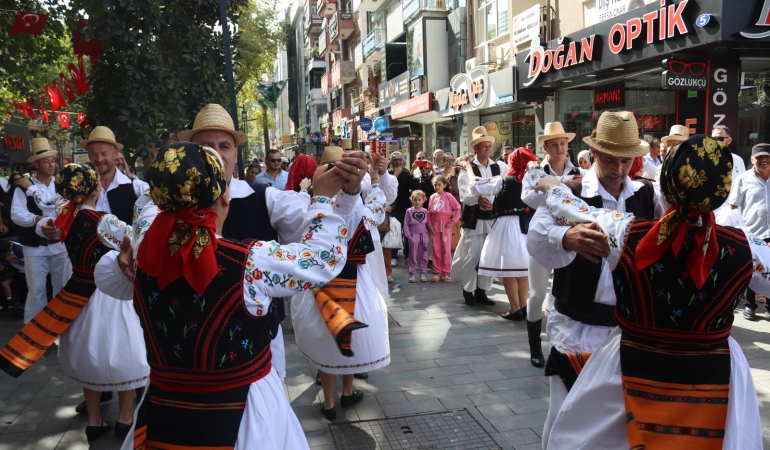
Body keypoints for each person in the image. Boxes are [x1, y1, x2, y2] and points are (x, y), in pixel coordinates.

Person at [100, 143, 349, 449]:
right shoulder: (250, 262)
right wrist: (321, 198)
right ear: (225, 196)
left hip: (164, 412)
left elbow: (144, 214)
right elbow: (322, 258)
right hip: (245, 414)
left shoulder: (143, 257)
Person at [539, 135, 766, 450]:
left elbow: (569, 209)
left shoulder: (625, 232)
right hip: (714, 368)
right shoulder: (745, 246)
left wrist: (551, 184)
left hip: (633, 362)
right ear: (722, 191)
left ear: (665, 188)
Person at [526, 111, 665, 448]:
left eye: (625, 160)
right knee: (565, 414)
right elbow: (536, 235)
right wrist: (565, 237)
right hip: (576, 324)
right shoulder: (570, 191)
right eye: (609, 159)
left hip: (626, 328)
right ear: (595, 154)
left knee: (615, 419)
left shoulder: (648, 195)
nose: (618, 169)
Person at [1, 163, 149, 443]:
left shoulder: (65, 215)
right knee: (123, 350)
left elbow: (54, 218)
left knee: (88, 351)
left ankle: (94, 421)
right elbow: (135, 241)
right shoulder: (104, 220)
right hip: (108, 293)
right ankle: (125, 417)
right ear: (95, 187)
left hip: (77, 293)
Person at [291, 146, 390, 421]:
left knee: (328, 339)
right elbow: (374, 211)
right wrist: (371, 181)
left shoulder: (311, 202)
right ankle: (345, 393)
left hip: (324, 282)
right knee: (344, 337)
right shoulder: (348, 201)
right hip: (351, 281)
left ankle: (330, 401)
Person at [522, 123, 583, 369]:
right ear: (544, 146)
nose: (560, 148)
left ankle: (563, 344)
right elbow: (528, 197)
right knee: (537, 294)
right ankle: (534, 345)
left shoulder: (579, 171)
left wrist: (554, 187)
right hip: (543, 236)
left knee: (567, 291)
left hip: (570, 236)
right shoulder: (535, 172)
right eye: (554, 144)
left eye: (563, 143)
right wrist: (563, 187)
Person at [471, 148, 536, 320]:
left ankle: (515, 308)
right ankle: (523, 306)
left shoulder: (503, 181)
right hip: (527, 226)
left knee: (508, 269)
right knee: (522, 271)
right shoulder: (533, 181)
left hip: (507, 226)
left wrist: (468, 169)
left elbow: (475, 187)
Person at [10, 138, 70, 323]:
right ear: (36, 164)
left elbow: (61, 208)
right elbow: (16, 214)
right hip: (34, 246)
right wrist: (36, 218)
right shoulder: (22, 187)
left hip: (59, 245)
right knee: (36, 289)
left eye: (52, 160)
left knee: (62, 286)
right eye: (46, 161)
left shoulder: (61, 185)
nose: (51, 164)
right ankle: (34, 330)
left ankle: (61, 326)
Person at [452, 126, 508, 306]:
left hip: (493, 218)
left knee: (489, 255)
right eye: (483, 145)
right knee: (473, 255)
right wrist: (478, 200)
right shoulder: (466, 170)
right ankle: (468, 290)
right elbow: (463, 195)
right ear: (475, 149)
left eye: (489, 145)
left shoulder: (499, 167)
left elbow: (505, 190)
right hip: (474, 218)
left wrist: (496, 202)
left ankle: (482, 290)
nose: (487, 148)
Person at [729, 143, 770, 320]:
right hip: (752, 231)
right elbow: (733, 205)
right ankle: (749, 305)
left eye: (766, 157)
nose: (763, 160)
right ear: (752, 159)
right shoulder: (743, 179)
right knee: (752, 268)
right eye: (759, 157)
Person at [428, 175, 460, 282]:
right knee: (436, 249)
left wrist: (452, 221)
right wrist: (430, 225)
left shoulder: (448, 196)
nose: (437, 187)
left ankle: (447, 272)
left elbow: (458, 208)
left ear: (444, 185)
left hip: (446, 224)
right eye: (435, 185)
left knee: (446, 249)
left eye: (439, 185)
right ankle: (438, 272)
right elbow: (429, 213)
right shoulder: (432, 197)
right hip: (435, 225)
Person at [389, 151, 411, 266]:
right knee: (394, 232)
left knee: (407, 233)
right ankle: (393, 255)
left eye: (400, 159)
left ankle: (407, 255)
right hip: (393, 208)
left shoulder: (407, 173)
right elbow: (388, 187)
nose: (398, 162)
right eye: (395, 160)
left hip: (406, 207)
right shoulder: (388, 174)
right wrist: (396, 174)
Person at [405, 190, 429, 283]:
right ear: (412, 200)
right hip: (413, 235)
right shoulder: (409, 211)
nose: (417, 202)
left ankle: (423, 273)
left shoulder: (425, 211)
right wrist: (409, 236)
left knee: (423, 255)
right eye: (415, 200)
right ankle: (412, 273)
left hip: (423, 235)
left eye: (419, 200)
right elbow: (406, 224)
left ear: (423, 200)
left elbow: (428, 224)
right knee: (413, 255)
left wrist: (427, 235)